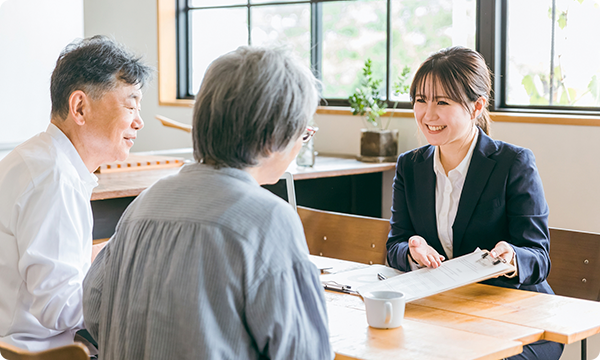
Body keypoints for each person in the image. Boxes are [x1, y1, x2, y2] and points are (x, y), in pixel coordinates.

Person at [82, 46, 333, 360]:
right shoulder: (268, 219)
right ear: (274, 138)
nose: (300, 144)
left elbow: (93, 310)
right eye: (303, 133)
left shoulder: (144, 205)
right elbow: (306, 353)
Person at [386, 46, 563, 360]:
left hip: (519, 317)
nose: (428, 115)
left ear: (477, 106)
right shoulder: (410, 166)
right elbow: (395, 245)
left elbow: (538, 257)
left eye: (442, 102)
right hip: (445, 312)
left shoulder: (513, 163)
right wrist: (412, 250)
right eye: (421, 100)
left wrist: (512, 258)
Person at [0, 35, 152, 351]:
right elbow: (60, 307)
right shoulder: (54, 179)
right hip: (32, 353)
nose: (139, 122)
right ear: (79, 106)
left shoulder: (37, 158)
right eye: (130, 105)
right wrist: (137, 289)